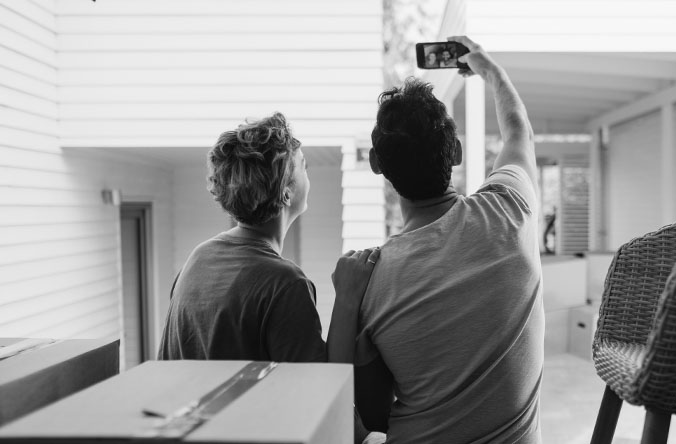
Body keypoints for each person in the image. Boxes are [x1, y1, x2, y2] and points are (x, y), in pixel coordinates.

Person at [329, 36, 544, 444]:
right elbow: (520, 131)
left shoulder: (369, 278)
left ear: (377, 165)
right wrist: (487, 68)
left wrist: (346, 302)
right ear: (456, 152)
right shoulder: (511, 210)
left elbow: (365, 412)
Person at [158, 112, 380, 444]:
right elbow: (320, 394)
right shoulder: (283, 283)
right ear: (287, 194)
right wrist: (348, 298)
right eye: (303, 166)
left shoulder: (197, 258)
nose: (308, 172)